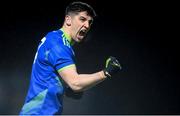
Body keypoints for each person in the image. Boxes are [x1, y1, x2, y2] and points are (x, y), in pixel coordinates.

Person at [20, 1, 122, 115]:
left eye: (90, 22)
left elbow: (49, 75)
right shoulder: (58, 44)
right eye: (82, 19)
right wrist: (106, 72)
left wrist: (65, 87)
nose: (87, 25)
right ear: (68, 20)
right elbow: (75, 83)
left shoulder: (55, 39)